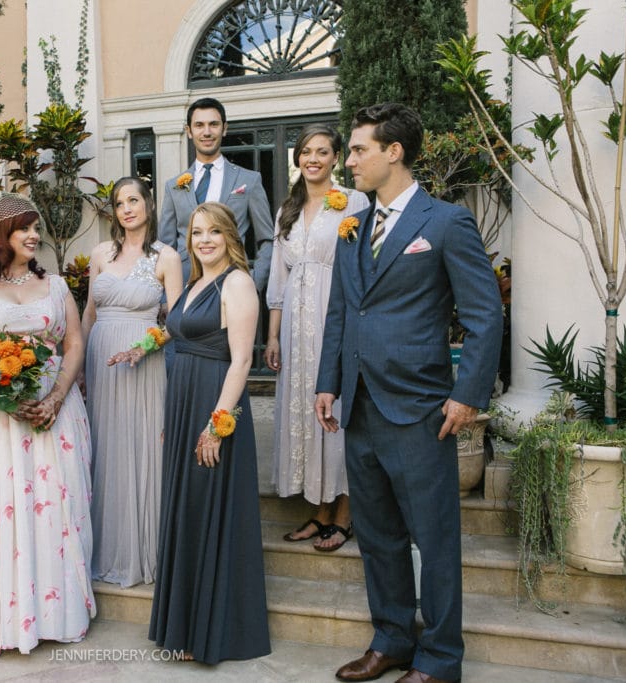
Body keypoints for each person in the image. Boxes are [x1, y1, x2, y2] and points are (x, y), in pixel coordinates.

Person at [315, 103, 502, 683]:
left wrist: (467, 394)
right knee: (376, 535)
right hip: (361, 406)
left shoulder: (445, 222)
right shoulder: (352, 224)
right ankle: (392, 639)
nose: (348, 161)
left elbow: (485, 313)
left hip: (423, 407)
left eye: (357, 150)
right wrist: (328, 383)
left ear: (393, 152)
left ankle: (442, 659)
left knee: (435, 539)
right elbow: (341, 309)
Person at [0, 190, 95, 663]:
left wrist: (54, 397)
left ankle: (53, 613)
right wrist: (0, 395)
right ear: (0, 236)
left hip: (53, 414)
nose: (34, 235)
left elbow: (73, 344)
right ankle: (0, 617)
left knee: (52, 506)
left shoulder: (56, 287)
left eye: (36, 228)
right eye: (24, 228)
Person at [136, 201, 270, 664]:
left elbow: (242, 361)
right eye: (196, 233)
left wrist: (216, 427)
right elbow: (176, 333)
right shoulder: (195, 283)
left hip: (216, 404)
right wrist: (140, 347)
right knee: (187, 510)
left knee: (208, 507)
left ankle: (212, 631)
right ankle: (185, 626)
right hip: (183, 404)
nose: (205, 240)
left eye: (214, 232)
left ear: (229, 235)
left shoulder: (237, 282)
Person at [263, 124, 369, 552]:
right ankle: (320, 510)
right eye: (306, 151)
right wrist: (272, 337)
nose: (313, 159)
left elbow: (362, 268)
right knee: (306, 414)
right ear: (298, 158)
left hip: (334, 317)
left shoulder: (354, 202)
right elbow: (277, 277)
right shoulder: (286, 210)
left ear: (337, 157)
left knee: (336, 412)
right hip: (293, 327)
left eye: (322, 151)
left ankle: (344, 515)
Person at [82, 176, 182, 587]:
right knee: (103, 450)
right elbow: (88, 311)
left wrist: (145, 346)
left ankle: (144, 550)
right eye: (120, 202)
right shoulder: (100, 253)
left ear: (149, 205)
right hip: (100, 363)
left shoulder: (167, 257)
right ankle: (103, 548)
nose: (127, 208)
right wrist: (78, 371)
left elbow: (175, 320)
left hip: (144, 364)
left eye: (134, 200)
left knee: (141, 448)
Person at [158, 97, 275, 291]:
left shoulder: (249, 180)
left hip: (234, 286)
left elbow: (268, 240)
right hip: (185, 287)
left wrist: (254, 283)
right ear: (189, 131)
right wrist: (165, 296)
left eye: (213, 124)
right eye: (199, 125)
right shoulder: (173, 186)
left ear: (224, 128)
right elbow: (165, 247)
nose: (206, 132)